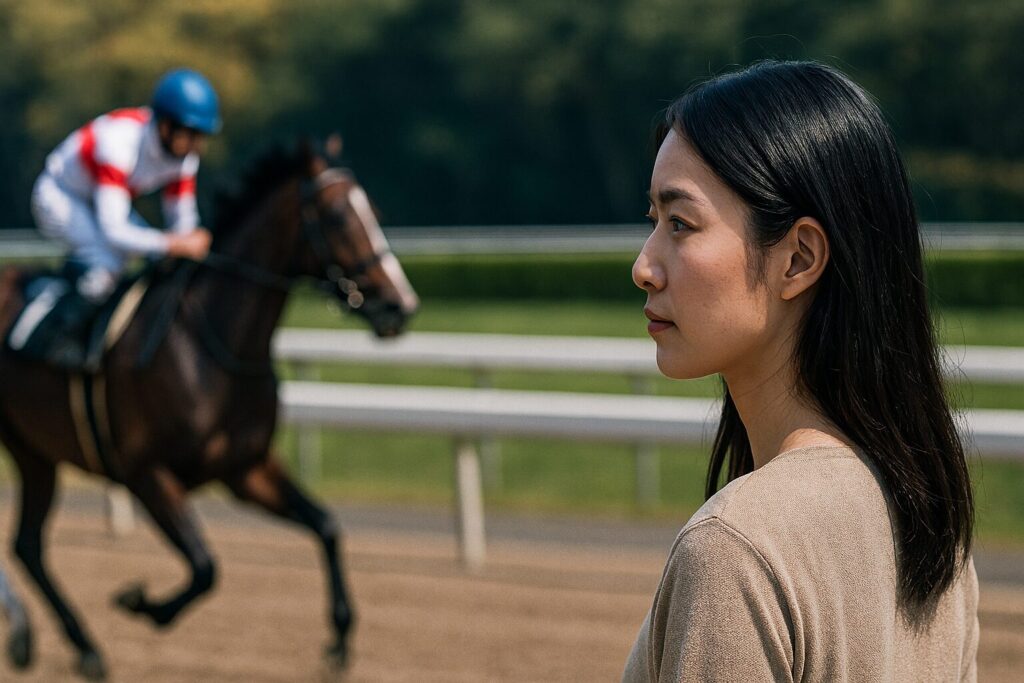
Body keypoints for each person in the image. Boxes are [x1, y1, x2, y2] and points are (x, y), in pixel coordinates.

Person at [624, 61, 977, 681]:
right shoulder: (933, 522)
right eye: (653, 221)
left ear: (799, 258)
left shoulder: (737, 548)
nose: (644, 267)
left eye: (681, 224)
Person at [20, 68, 217, 367]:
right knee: (107, 263)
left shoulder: (184, 157)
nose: (196, 145)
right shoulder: (118, 143)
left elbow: (182, 220)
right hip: (59, 195)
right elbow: (115, 231)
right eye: (190, 134)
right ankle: (57, 337)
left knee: (151, 258)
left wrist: (190, 243)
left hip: (98, 199)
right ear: (165, 126)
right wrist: (175, 244)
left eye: (201, 136)